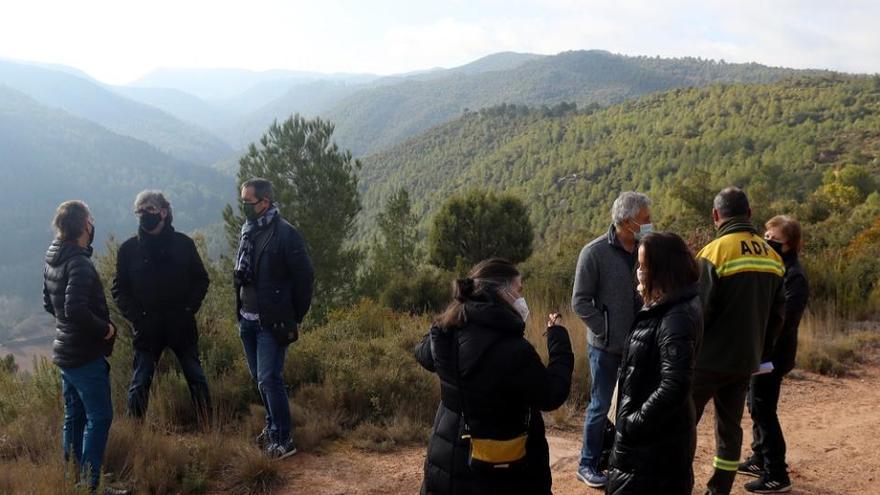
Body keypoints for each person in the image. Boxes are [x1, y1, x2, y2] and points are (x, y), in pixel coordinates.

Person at [415, 258, 574, 495]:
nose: (522, 298)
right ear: (502, 292)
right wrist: (558, 338)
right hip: (502, 472)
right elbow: (551, 394)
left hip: (448, 463)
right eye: (519, 290)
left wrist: (447, 323)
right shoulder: (514, 351)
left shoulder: (447, 333)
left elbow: (422, 353)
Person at [693, 187, 785, 495]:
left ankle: (675, 483)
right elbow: (778, 317)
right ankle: (719, 489)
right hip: (745, 362)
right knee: (729, 430)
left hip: (706, 363)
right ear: (749, 214)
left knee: (681, 424)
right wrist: (760, 350)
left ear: (716, 216)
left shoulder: (712, 254)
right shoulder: (772, 257)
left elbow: (697, 315)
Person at [606, 232, 703, 494]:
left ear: (662, 270)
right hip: (652, 443)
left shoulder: (675, 317)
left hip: (654, 446)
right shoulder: (666, 307)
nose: (639, 272)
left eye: (644, 266)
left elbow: (674, 384)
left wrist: (633, 423)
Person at [43, 201, 127, 495]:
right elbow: (75, 309)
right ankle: (91, 485)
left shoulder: (53, 257)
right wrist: (105, 329)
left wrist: (67, 328)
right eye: (91, 219)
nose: (94, 224)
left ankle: (73, 480)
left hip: (66, 354)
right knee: (100, 417)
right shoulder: (78, 262)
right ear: (83, 226)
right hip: (84, 355)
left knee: (74, 417)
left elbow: (49, 303)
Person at [112, 191, 212, 425]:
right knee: (139, 383)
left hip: (182, 325)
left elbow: (201, 279)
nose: (145, 214)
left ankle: (210, 428)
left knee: (196, 378)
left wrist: (188, 310)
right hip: (148, 329)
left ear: (164, 212)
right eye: (140, 210)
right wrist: (138, 317)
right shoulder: (127, 250)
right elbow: (119, 290)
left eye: (150, 209)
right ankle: (134, 435)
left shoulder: (184, 244)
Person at [572, 191, 650, 488]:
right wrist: (604, 331)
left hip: (640, 345)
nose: (649, 224)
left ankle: (621, 461)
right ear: (627, 221)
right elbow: (580, 302)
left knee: (631, 407)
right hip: (604, 347)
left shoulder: (647, 249)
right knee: (599, 406)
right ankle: (587, 464)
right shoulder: (593, 253)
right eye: (645, 220)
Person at [234, 178, 315, 459]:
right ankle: (271, 428)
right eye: (242, 201)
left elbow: (305, 278)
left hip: (271, 323)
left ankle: (284, 438)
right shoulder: (248, 230)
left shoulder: (286, 234)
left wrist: (294, 315)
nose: (244, 207)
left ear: (264, 202)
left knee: (270, 379)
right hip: (247, 319)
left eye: (248, 202)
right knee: (260, 379)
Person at [738, 216, 809, 493]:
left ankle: (776, 473)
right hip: (760, 351)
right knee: (755, 405)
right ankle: (760, 457)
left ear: (789, 244)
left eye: (774, 239)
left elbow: (785, 320)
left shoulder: (795, 276)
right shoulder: (775, 266)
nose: (767, 242)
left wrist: (761, 347)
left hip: (773, 355)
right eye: (765, 235)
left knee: (763, 409)